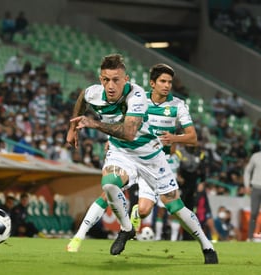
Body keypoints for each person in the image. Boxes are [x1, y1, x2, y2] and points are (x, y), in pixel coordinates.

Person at [66, 55, 218, 264]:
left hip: (150, 156)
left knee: (175, 206)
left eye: (116, 80)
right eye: (105, 79)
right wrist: (72, 128)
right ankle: (127, 228)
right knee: (109, 185)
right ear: (101, 79)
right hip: (121, 153)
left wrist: (94, 124)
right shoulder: (95, 92)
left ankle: (207, 246)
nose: (110, 85)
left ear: (126, 80)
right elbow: (83, 96)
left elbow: (129, 133)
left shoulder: (137, 96)